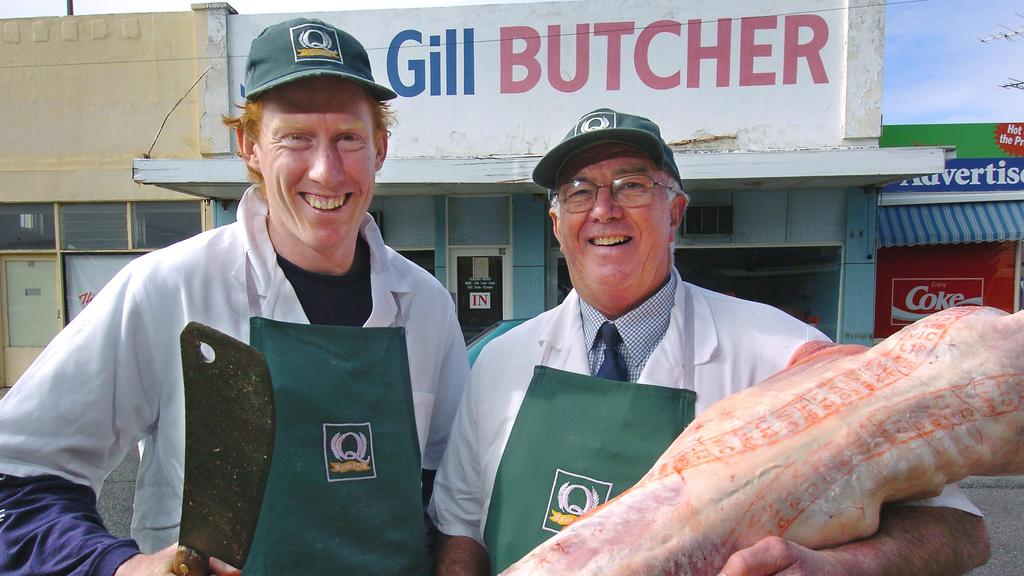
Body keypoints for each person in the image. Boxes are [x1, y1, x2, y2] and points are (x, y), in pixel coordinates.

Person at [429, 108, 990, 575]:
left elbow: (961, 527)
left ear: (675, 213)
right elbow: (460, 529)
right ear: (556, 224)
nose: (604, 208)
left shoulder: (784, 355)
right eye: (579, 192)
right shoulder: (501, 362)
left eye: (632, 185)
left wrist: (845, 567)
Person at [0, 18, 468, 576]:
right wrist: (119, 568)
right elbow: (18, 476)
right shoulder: (167, 290)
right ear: (249, 147)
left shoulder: (427, 306)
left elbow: (451, 497)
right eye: (296, 137)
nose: (326, 169)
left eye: (348, 137)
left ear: (380, 148)